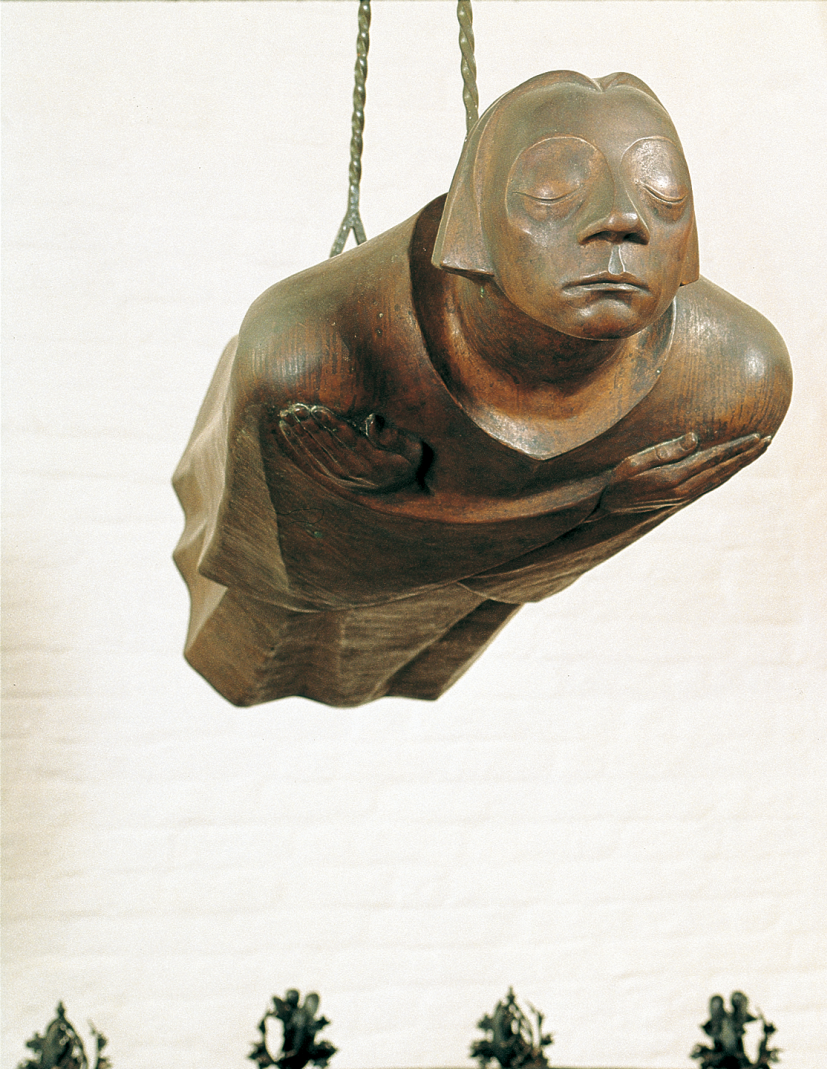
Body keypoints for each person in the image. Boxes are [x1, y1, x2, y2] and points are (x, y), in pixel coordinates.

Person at [173, 70, 791, 707]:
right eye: (553, 189)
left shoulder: (729, 380)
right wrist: (586, 507)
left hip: (435, 632)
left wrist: (604, 514)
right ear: (472, 229)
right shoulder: (313, 347)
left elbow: (528, 582)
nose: (621, 219)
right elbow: (283, 571)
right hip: (268, 622)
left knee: (409, 647)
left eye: (661, 189)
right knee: (254, 650)